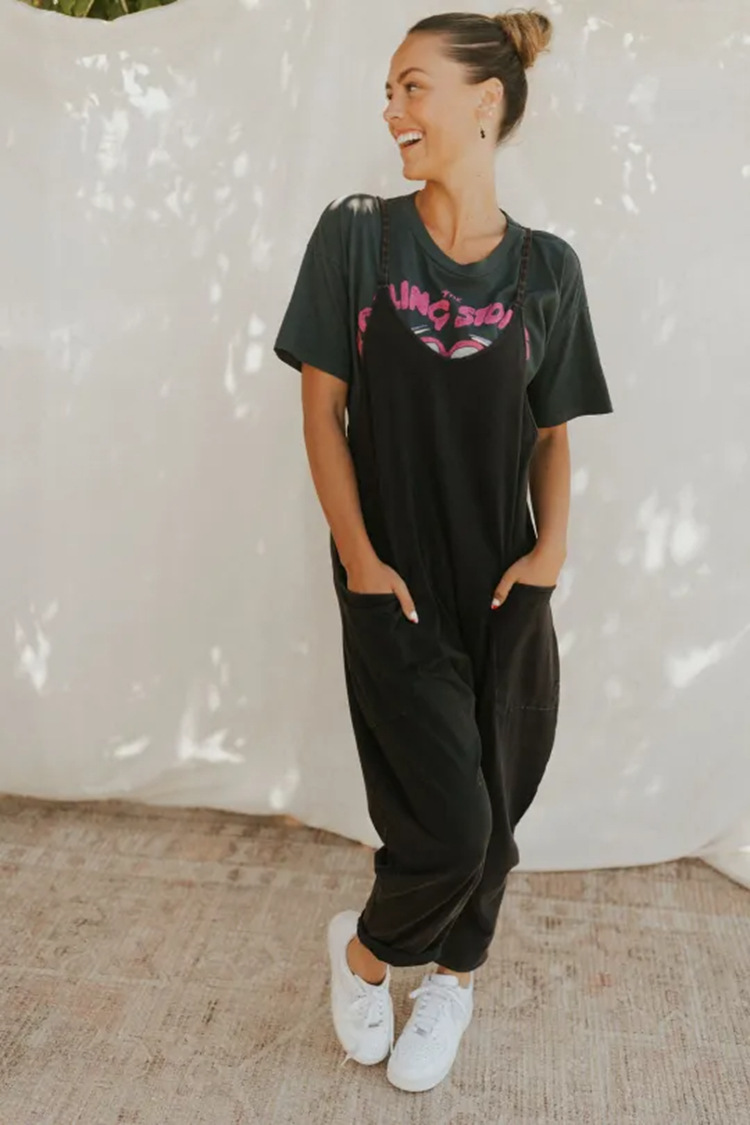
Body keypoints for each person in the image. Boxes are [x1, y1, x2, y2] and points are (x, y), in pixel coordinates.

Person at [273, 8, 613, 1094]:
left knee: (495, 817)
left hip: (504, 579)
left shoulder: (549, 269)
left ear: (485, 101)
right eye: (390, 90)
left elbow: (551, 436)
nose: (392, 110)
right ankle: (367, 954)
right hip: (395, 575)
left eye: (412, 86)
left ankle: (454, 980)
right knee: (450, 824)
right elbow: (322, 412)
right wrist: (361, 560)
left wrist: (550, 553)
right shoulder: (357, 237)